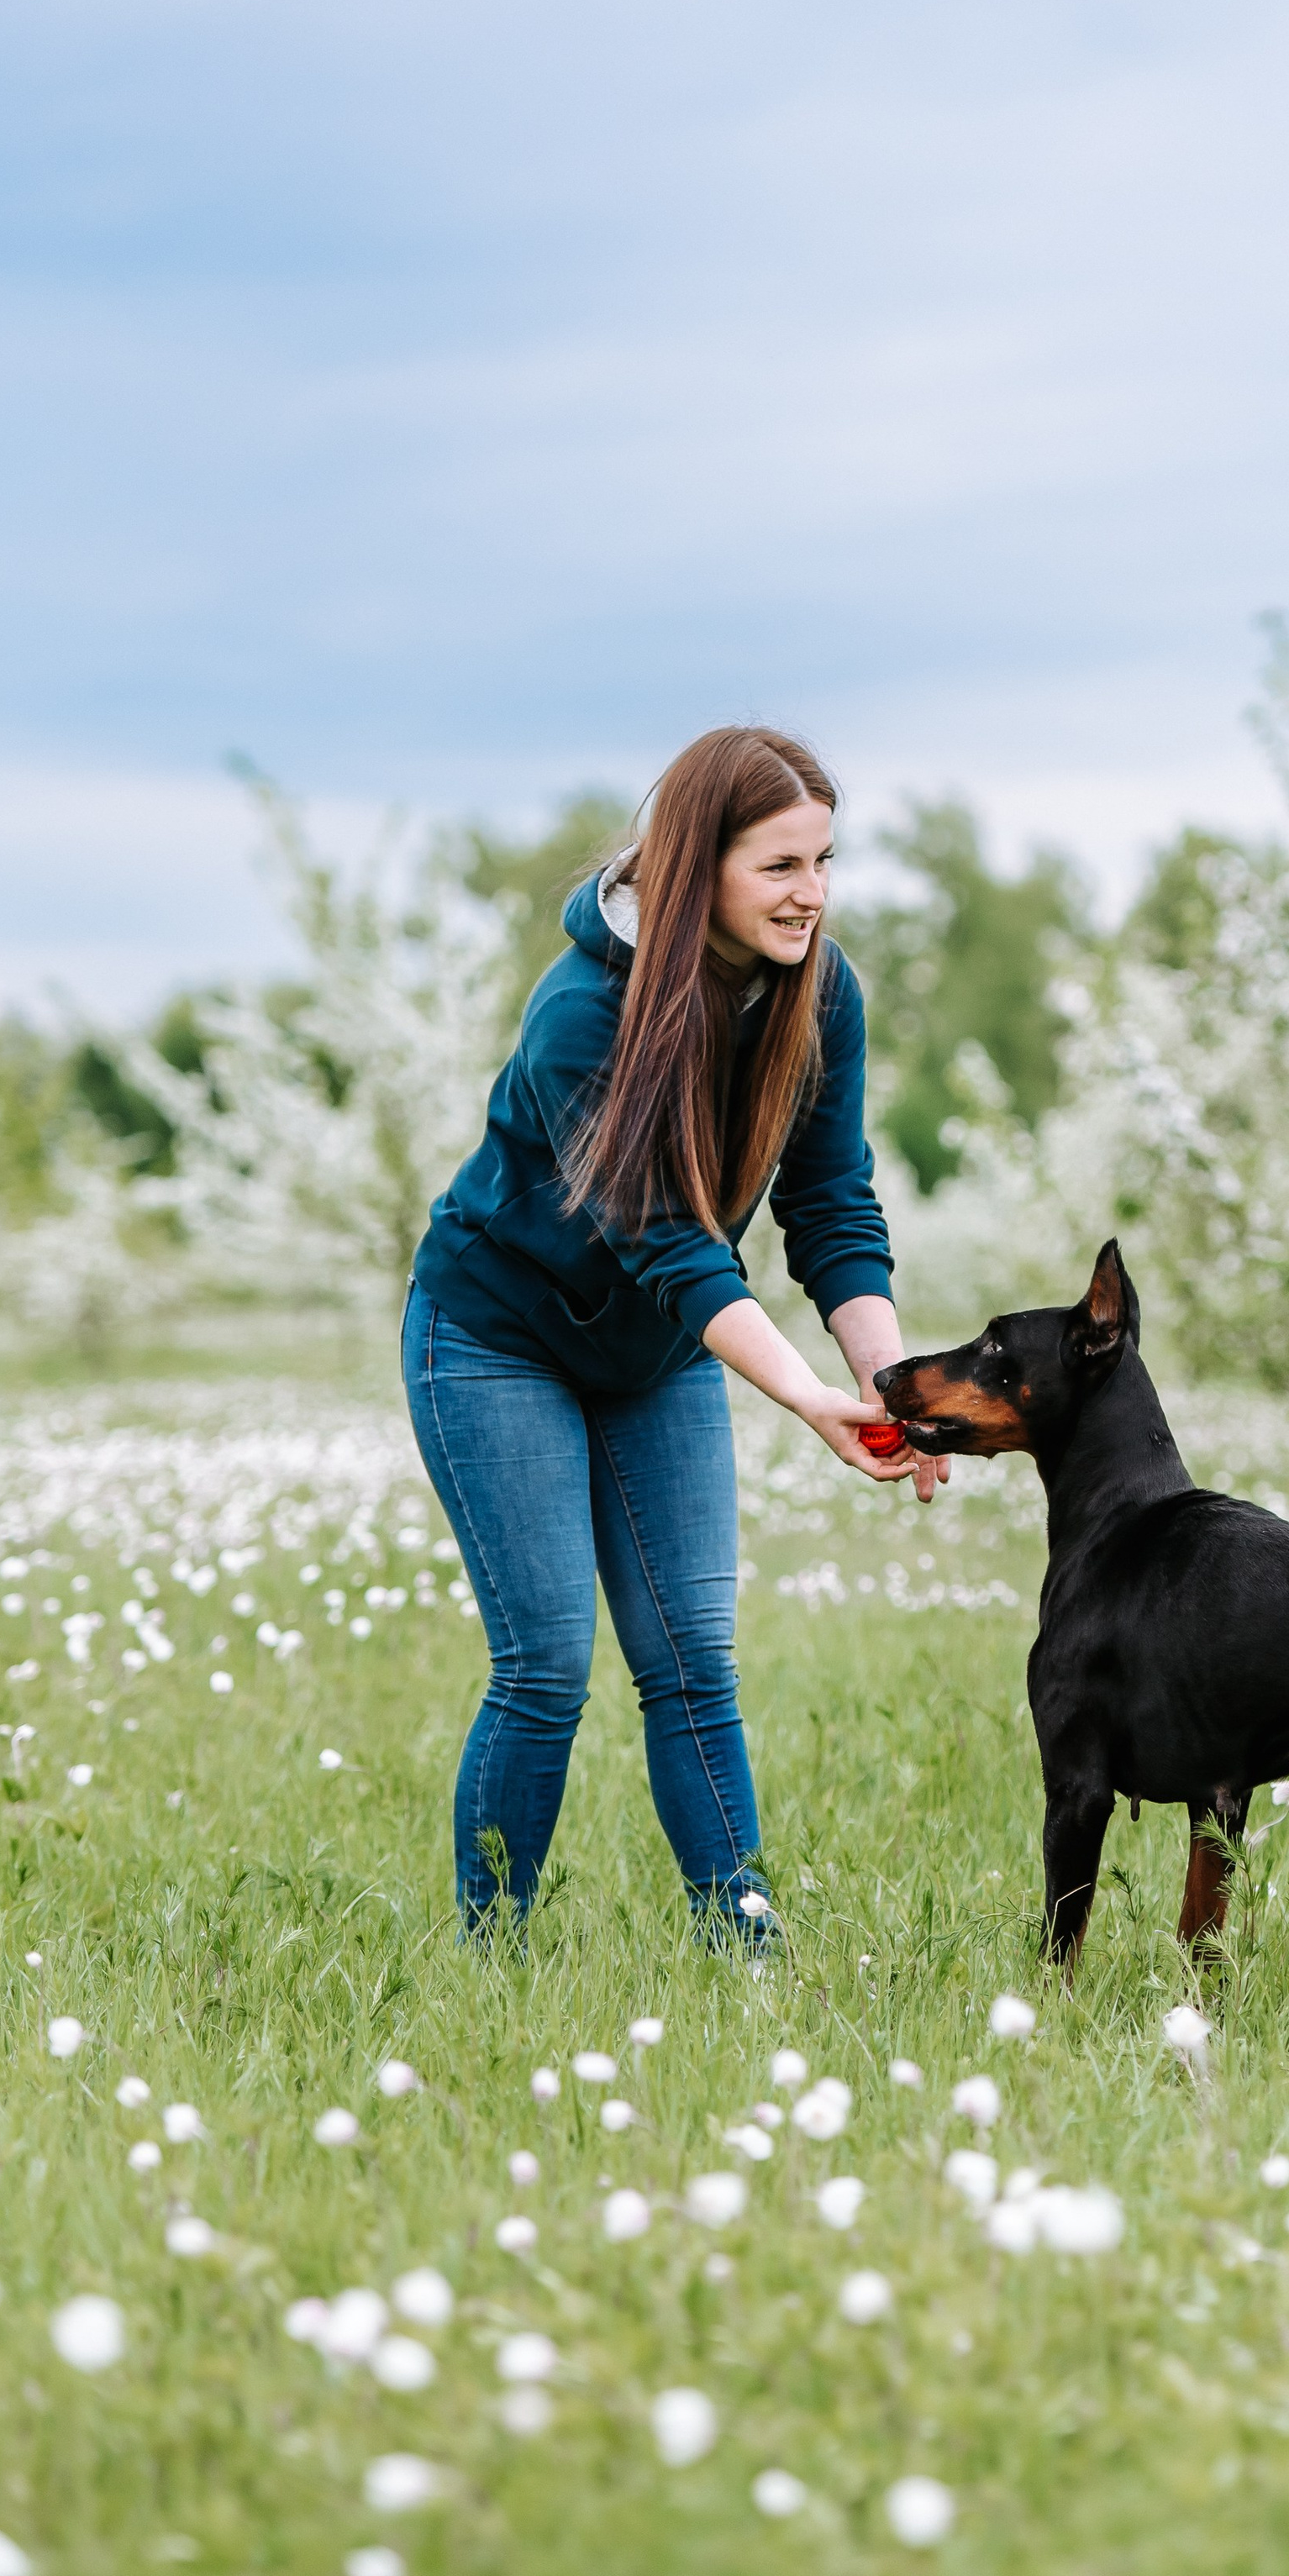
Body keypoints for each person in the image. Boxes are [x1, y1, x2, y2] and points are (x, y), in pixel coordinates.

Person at [403, 724, 942, 1937]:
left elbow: (831, 1204)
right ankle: (491, 1958)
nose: (813, 895)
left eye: (825, 861)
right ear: (701, 867)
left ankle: (739, 1942)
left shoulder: (821, 992)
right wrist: (809, 1400)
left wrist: (891, 1382)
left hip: (655, 1355)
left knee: (692, 1659)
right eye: (780, 867)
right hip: (496, 1341)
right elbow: (670, 1246)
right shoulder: (581, 1016)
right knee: (545, 1667)